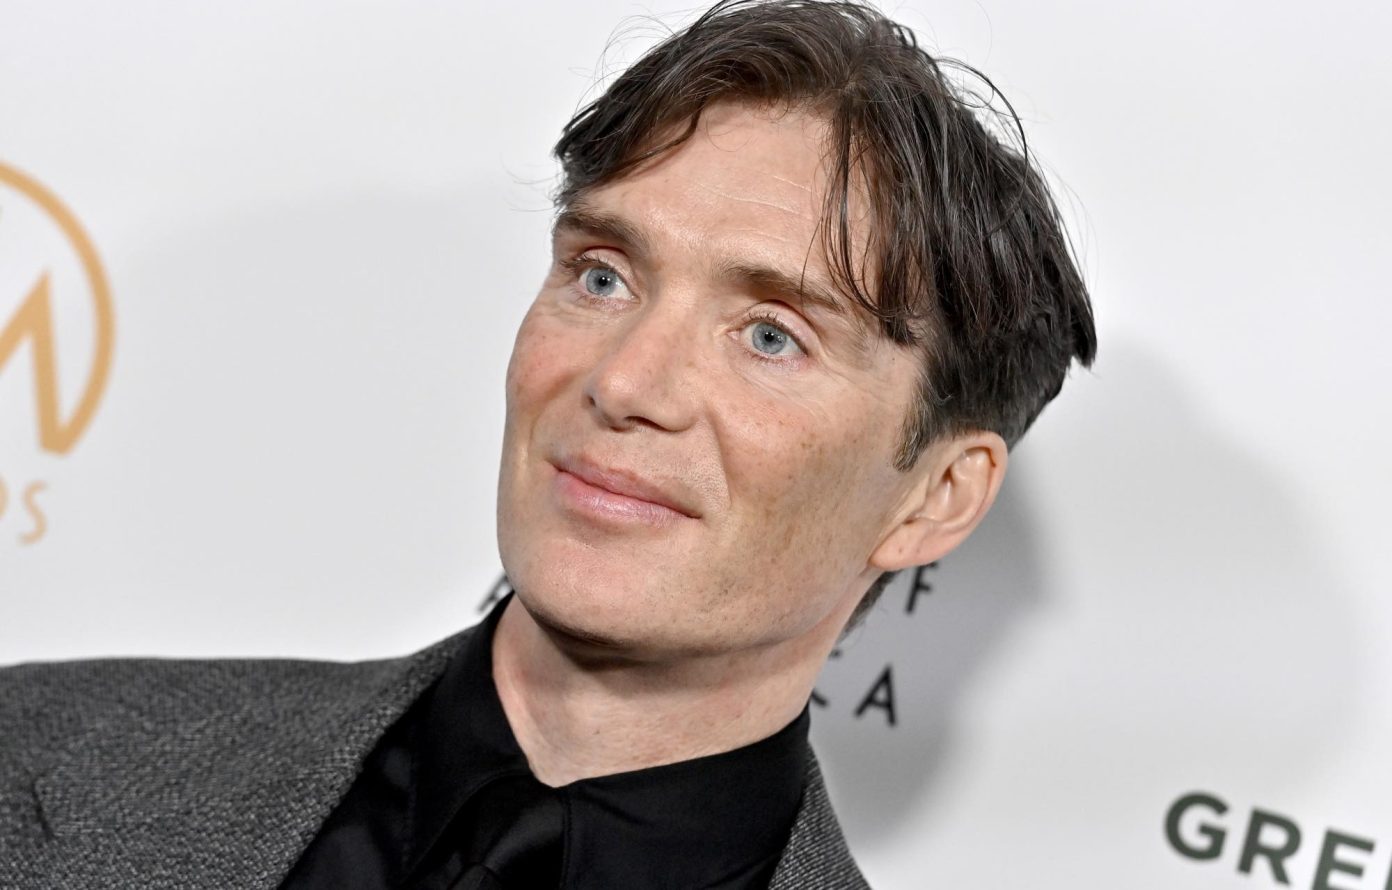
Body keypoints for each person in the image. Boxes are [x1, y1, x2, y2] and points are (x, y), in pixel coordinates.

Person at [0, 0, 1096, 887]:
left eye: (771, 335)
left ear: (936, 496)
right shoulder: (39, 749)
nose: (624, 381)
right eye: (602, 276)